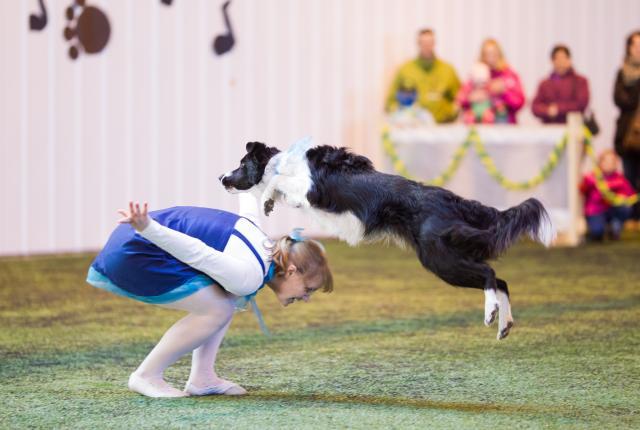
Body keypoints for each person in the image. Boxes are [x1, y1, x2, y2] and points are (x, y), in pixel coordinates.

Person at [86, 195, 333, 398]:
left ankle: (202, 378)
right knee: (219, 309)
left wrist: (247, 182)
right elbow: (197, 253)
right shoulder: (249, 275)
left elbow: (249, 209)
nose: (307, 298)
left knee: (225, 299)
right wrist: (149, 228)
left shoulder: (263, 247)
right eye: (308, 289)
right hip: (136, 249)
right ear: (291, 271)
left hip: (140, 238)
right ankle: (146, 375)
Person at [384, 28, 461, 123]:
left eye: (429, 43)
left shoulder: (448, 70)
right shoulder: (405, 69)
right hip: (413, 130)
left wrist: (450, 113)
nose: (426, 46)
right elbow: (390, 103)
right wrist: (402, 117)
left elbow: (460, 99)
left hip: (442, 127)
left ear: (434, 43)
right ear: (418, 44)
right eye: (423, 43)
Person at [457, 38, 525, 124]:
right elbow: (460, 99)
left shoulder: (508, 75)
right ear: (482, 56)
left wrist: (504, 93)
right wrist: (470, 98)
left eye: (494, 54)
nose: (491, 58)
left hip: (504, 125)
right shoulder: (476, 74)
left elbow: (519, 102)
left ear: (500, 54)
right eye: (487, 54)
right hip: (480, 126)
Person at [613, 30, 640, 222]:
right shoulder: (622, 73)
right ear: (629, 48)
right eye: (635, 45)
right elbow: (622, 100)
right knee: (629, 179)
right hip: (628, 135)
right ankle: (631, 218)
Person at [579, 150, 635, 241]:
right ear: (600, 163)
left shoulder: (620, 179)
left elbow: (630, 195)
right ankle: (597, 230)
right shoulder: (592, 178)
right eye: (606, 162)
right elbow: (582, 190)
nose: (609, 164)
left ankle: (615, 226)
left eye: (612, 161)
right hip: (596, 211)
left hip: (612, 210)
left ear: (616, 163)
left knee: (625, 208)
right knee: (597, 233)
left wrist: (622, 197)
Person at [532, 44, 590, 124]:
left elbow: (581, 104)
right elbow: (535, 107)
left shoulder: (580, 81)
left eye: (564, 57)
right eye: (557, 58)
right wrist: (547, 110)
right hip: (549, 129)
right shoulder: (544, 83)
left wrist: (558, 109)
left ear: (569, 59)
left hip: (573, 128)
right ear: (552, 61)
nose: (561, 61)